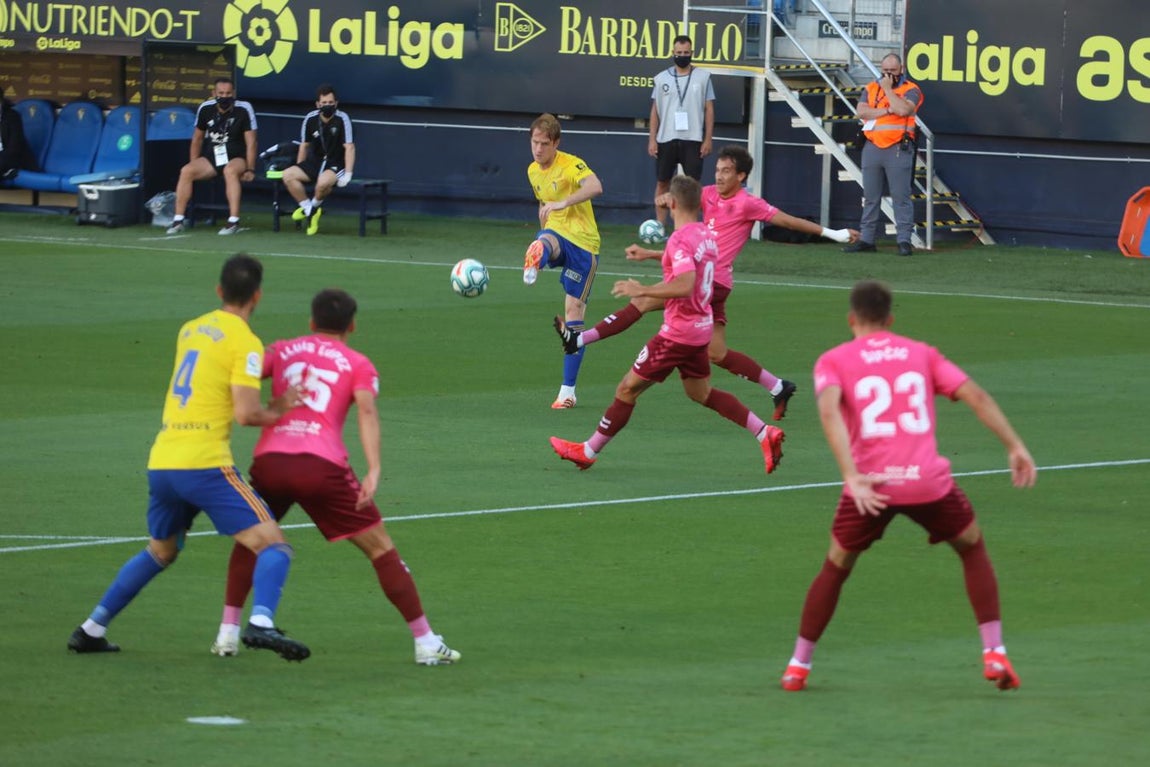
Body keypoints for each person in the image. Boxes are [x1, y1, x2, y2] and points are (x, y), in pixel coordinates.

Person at [779, 280, 1037, 692]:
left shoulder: (833, 359)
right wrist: (1015, 446)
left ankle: (798, 666)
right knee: (971, 546)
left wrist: (851, 475)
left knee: (836, 566)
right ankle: (994, 652)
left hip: (870, 485)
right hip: (926, 483)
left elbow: (828, 413)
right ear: (891, 320)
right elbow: (976, 396)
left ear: (851, 320)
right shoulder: (921, 353)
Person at [67, 254, 311, 662]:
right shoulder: (245, 342)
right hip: (205, 463)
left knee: (160, 551)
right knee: (274, 547)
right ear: (258, 296)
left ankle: (92, 628)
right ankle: (262, 624)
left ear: (219, 291)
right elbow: (247, 413)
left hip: (163, 460)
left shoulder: (190, 329)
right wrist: (281, 408)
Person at [210, 288, 461, 666]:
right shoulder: (358, 363)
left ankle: (227, 633)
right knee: (380, 549)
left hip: (271, 461)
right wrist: (373, 468)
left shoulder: (282, 350)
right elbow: (366, 412)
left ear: (311, 322)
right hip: (321, 467)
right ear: (352, 325)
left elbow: (241, 373)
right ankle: (426, 641)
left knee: (253, 540)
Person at [555, 145, 858, 421]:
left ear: (741, 175)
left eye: (728, 171)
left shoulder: (748, 203)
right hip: (710, 282)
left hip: (708, 283)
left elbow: (789, 221)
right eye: (718, 170)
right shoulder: (708, 194)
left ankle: (579, 340)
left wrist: (834, 234)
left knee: (644, 301)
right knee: (717, 353)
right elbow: (690, 230)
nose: (721, 176)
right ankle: (778, 386)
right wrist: (661, 218)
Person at [549, 175, 785, 475]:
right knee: (701, 393)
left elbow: (686, 283)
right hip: (700, 330)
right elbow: (691, 264)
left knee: (626, 389)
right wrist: (651, 255)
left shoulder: (680, 238)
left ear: (672, 203)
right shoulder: (705, 235)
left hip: (677, 334)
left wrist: (643, 290)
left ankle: (588, 450)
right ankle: (765, 433)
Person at [523, 113, 604, 410]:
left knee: (573, 315)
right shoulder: (533, 171)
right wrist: (546, 214)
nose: (538, 149)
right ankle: (537, 256)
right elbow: (543, 204)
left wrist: (563, 202)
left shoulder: (571, 164)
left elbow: (596, 186)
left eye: (544, 144)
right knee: (547, 240)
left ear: (556, 143)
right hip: (557, 233)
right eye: (534, 142)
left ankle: (567, 392)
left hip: (584, 245)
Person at [842, 54, 923, 257]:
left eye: (893, 71)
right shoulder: (871, 87)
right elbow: (861, 112)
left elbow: (904, 110)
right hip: (872, 147)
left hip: (898, 148)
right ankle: (867, 240)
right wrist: (888, 110)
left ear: (901, 69)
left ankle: (904, 240)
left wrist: (887, 90)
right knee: (870, 197)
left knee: (900, 197)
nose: (888, 75)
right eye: (885, 71)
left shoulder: (911, 89)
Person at [166, 78, 259, 236]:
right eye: (221, 93)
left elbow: (252, 142)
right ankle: (178, 220)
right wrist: (195, 162)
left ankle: (233, 221)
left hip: (237, 157)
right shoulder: (206, 108)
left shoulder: (244, 108)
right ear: (214, 93)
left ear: (234, 93)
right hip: (213, 156)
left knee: (230, 171)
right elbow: (197, 139)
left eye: (228, 93)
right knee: (187, 171)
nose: (224, 96)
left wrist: (250, 168)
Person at [648, 34, 714, 230]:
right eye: (679, 53)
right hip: (666, 138)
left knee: (693, 185)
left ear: (692, 53)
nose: (682, 56)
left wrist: (707, 138)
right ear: (673, 53)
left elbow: (709, 109)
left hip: (693, 138)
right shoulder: (661, 79)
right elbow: (655, 110)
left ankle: (691, 226)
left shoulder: (703, 77)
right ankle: (660, 227)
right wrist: (652, 139)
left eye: (686, 53)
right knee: (662, 182)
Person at [282, 84, 355, 236]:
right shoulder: (310, 118)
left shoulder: (342, 118)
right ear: (317, 104)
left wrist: (348, 174)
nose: (327, 106)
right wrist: (300, 165)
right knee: (288, 175)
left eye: (330, 103)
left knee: (323, 183)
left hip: (335, 163)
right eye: (324, 103)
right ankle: (310, 210)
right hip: (314, 162)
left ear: (336, 103)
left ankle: (313, 208)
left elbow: (349, 147)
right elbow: (304, 146)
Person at [0, 95, 35, 180]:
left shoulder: (12, 117)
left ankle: (6, 172)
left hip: (11, 157)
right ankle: (4, 175)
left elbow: (14, 148)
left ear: (1, 102)